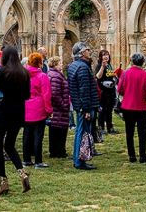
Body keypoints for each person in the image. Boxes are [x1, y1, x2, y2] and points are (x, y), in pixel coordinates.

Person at [0, 47, 32, 196]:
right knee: (10, 145)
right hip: (18, 112)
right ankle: (22, 173)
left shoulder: (2, 72)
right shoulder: (25, 73)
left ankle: (3, 182)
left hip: (3, 111)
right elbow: (27, 95)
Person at [67, 41, 99, 170]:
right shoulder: (82, 67)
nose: (89, 51)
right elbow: (84, 90)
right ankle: (80, 160)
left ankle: (78, 159)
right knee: (82, 132)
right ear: (81, 53)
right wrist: (85, 108)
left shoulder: (74, 66)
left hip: (79, 105)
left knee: (81, 132)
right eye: (87, 50)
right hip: (84, 106)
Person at [117, 53, 146, 163]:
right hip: (141, 106)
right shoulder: (145, 75)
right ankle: (143, 155)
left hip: (128, 106)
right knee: (142, 132)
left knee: (129, 132)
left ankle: (132, 155)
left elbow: (120, 89)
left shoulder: (126, 73)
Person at [23, 52, 52, 168]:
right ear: (40, 63)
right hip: (38, 108)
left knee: (27, 134)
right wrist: (49, 110)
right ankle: (38, 161)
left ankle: (26, 159)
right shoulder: (42, 76)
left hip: (26, 107)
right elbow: (47, 94)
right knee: (38, 135)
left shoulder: (24, 75)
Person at [47, 56, 70, 158]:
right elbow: (55, 93)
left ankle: (55, 150)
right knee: (59, 130)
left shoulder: (53, 74)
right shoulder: (56, 76)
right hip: (59, 108)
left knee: (55, 129)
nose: (62, 64)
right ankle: (59, 151)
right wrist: (63, 105)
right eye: (60, 63)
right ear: (55, 64)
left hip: (57, 108)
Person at [95, 49, 118, 135]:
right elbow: (98, 76)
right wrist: (102, 67)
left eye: (107, 54)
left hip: (110, 91)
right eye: (104, 55)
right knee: (102, 110)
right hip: (103, 91)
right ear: (100, 57)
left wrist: (115, 77)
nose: (106, 56)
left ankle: (110, 128)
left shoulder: (109, 66)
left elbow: (110, 76)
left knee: (109, 110)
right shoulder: (99, 66)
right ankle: (101, 128)